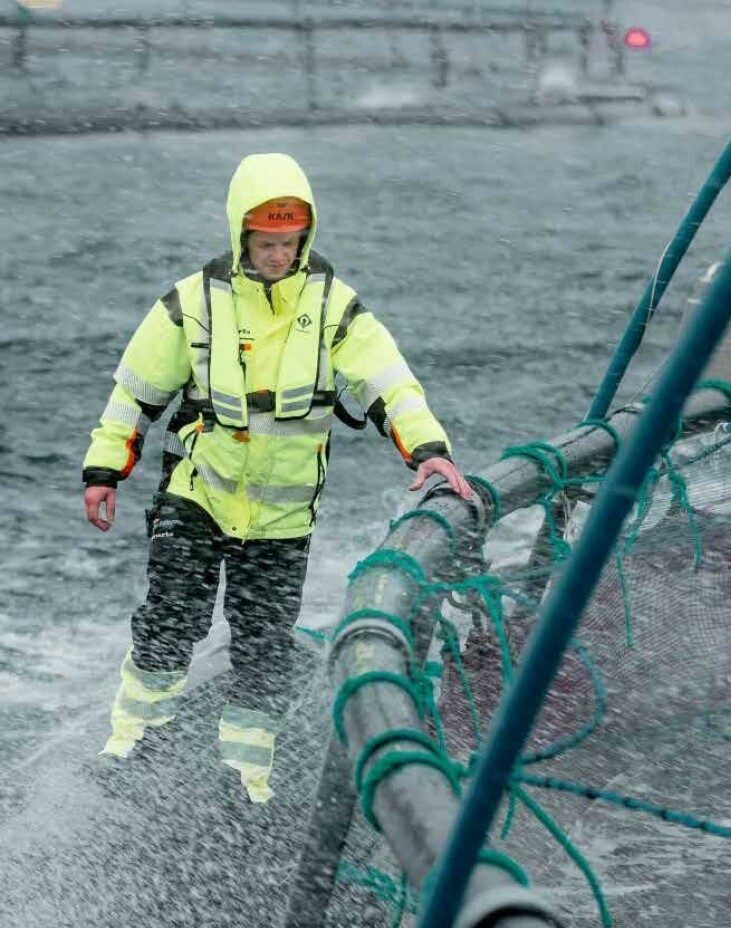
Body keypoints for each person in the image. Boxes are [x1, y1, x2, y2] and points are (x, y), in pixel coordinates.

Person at [83, 152, 472, 804]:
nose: (278, 255)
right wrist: (104, 471)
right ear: (242, 235)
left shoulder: (334, 308)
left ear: (305, 237)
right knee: (171, 621)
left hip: (283, 519)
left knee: (264, 648)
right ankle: (130, 742)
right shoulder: (191, 302)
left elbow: (389, 383)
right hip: (197, 494)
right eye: (267, 243)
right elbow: (134, 395)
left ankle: (246, 777)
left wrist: (428, 450)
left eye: (290, 243)